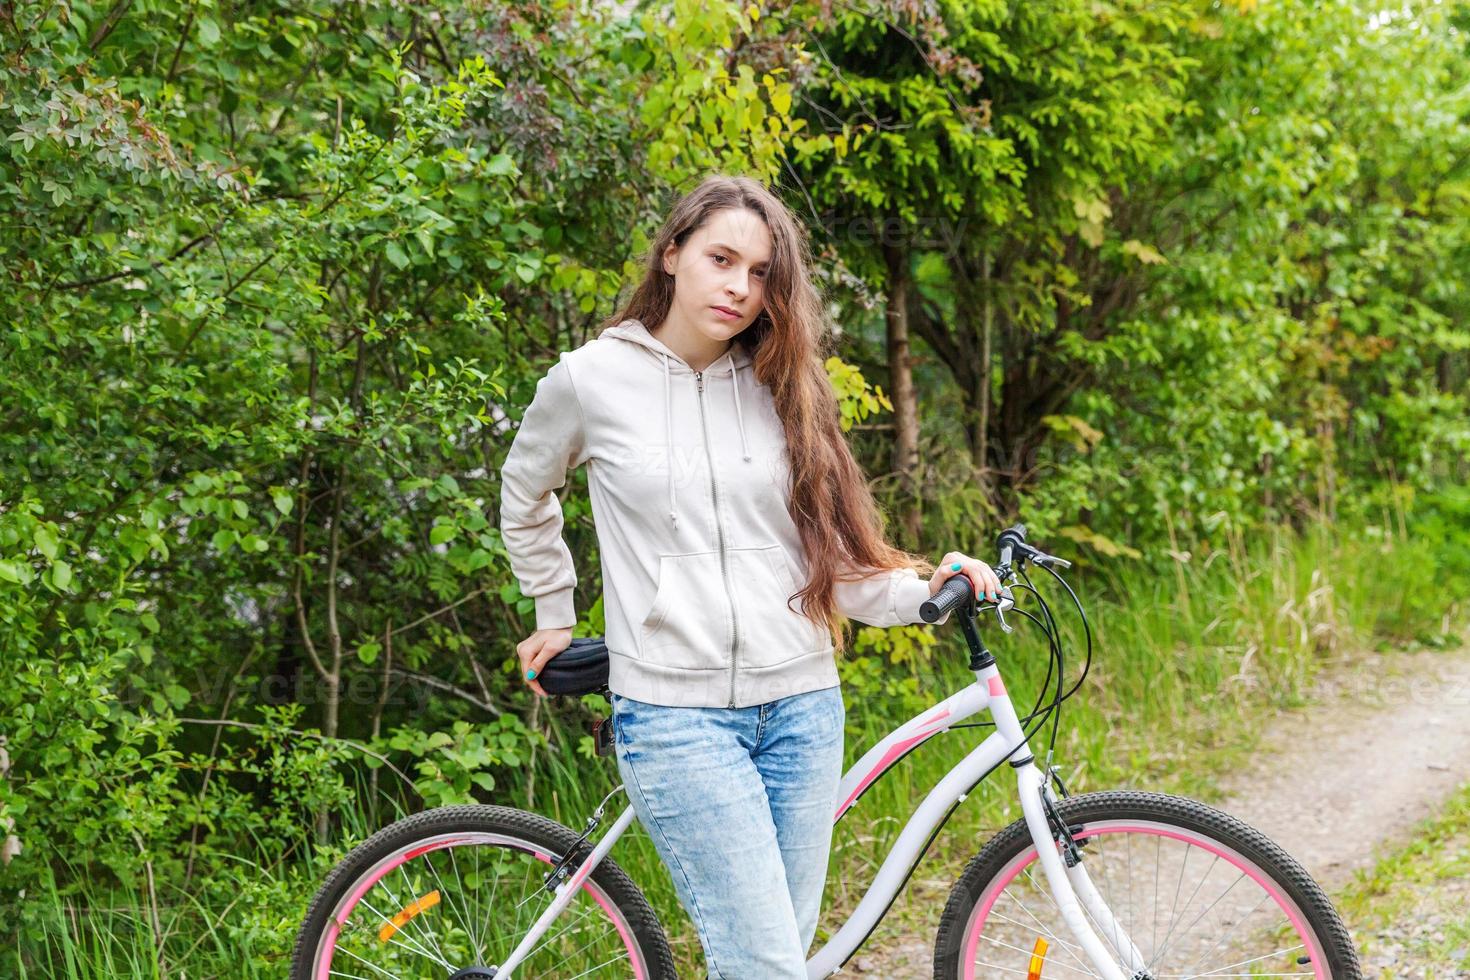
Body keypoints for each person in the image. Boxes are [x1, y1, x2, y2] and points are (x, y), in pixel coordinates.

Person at [498, 174, 1000, 978]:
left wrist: (925, 587)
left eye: (760, 271)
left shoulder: (783, 384)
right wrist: (552, 605)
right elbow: (526, 491)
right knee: (767, 966)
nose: (738, 286)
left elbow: (827, 559)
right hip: (675, 717)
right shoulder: (590, 379)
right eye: (720, 258)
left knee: (776, 961)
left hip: (803, 709)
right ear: (673, 254)